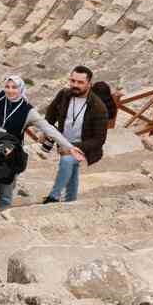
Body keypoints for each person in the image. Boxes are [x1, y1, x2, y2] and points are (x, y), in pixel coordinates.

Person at [0, 40, 83, 209]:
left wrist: (69, 146)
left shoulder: (28, 110)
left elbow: (48, 129)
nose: (10, 90)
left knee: (6, 191)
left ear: (21, 89)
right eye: (7, 86)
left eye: (14, 87)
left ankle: (2, 218)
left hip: (11, 154)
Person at [43, 65, 108, 204]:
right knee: (71, 169)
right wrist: (45, 131)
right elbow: (50, 115)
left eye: (80, 82)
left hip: (84, 147)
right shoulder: (63, 95)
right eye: (72, 81)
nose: (75, 85)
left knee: (67, 161)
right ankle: (71, 201)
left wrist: (71, 147)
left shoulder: (99, 107)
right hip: (64, 143)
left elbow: (99, 140)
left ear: (89, 84)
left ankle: (53, 197)